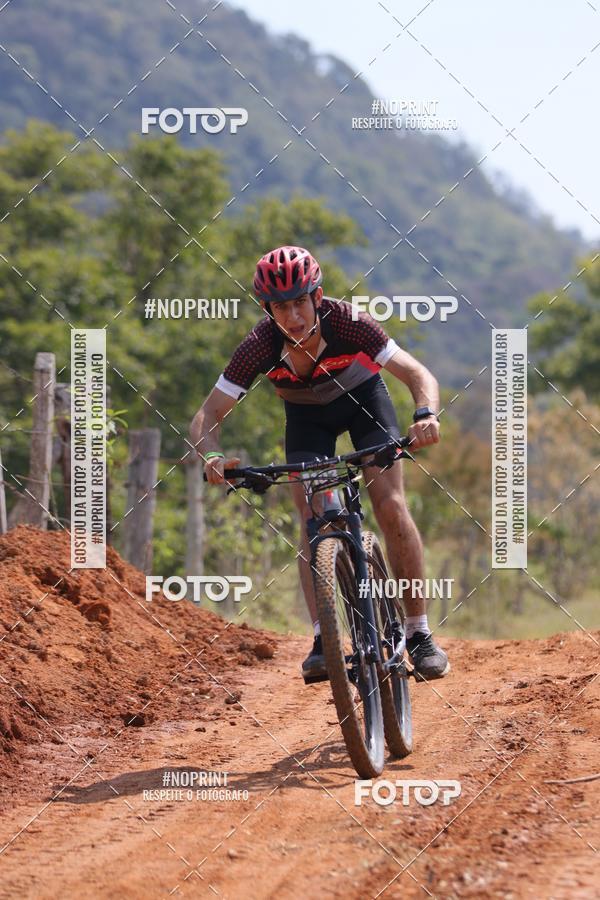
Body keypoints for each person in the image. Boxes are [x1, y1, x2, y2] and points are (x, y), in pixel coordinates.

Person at [190, 246, 449, 681]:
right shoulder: (260, 345)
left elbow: (418, 375)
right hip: (306, 419)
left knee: (390, 505)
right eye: (280, 307)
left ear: (317, 296)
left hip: (364, 405)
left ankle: (419, 633)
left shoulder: (350, 323)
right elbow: (206, 415)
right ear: (267, 310)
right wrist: (212, 454)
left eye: (298, 303)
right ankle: (321, 638)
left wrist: (425, 413)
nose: (291, 316)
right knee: (311, 518)